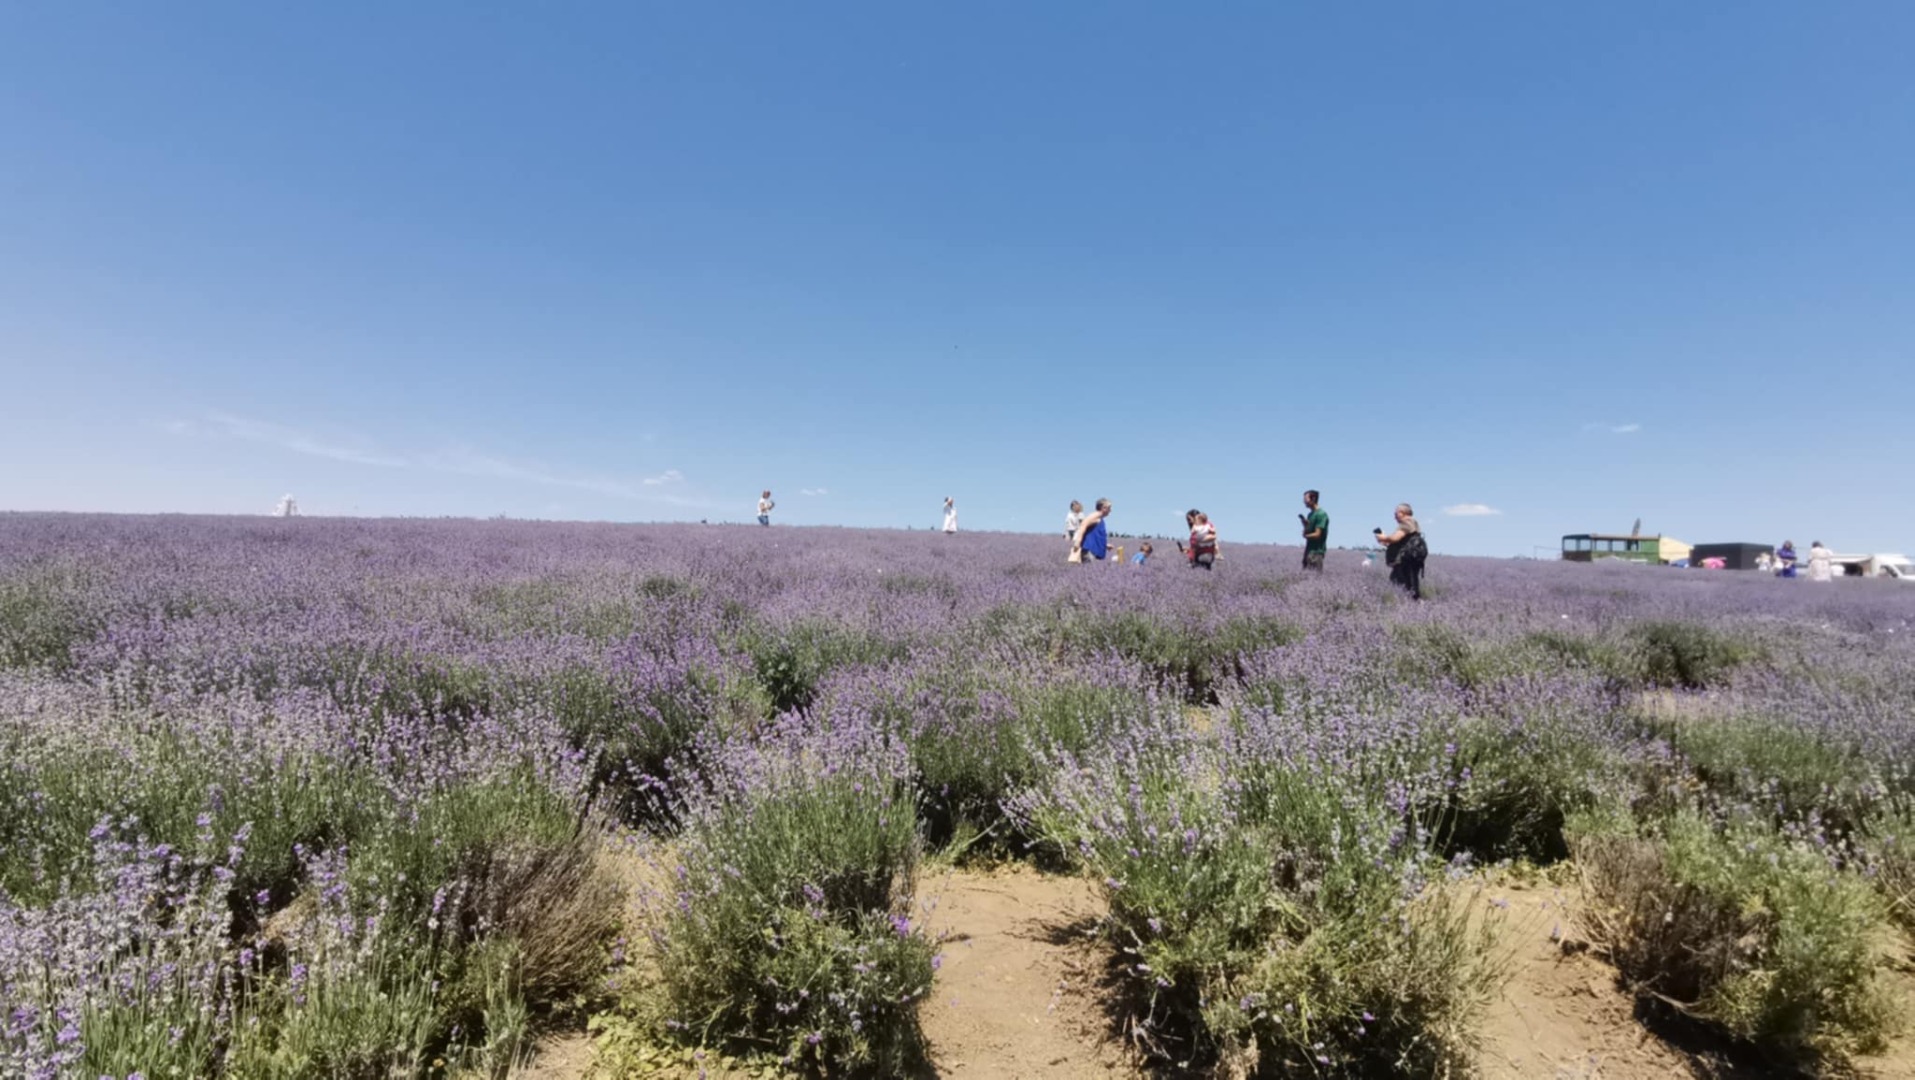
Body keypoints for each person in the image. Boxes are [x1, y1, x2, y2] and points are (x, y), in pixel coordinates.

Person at [1375, 502, 1426, 600]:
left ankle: (1410, 605)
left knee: (1402, 585)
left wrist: (1383, 537)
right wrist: (1386, 542)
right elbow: (1402, 543)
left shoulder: (1406, 523)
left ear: (1402, 512)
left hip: (1405, 561)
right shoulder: (1413, 523)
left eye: (1396, 514)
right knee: (1410, 585)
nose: (1394, 517)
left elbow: (1395, 538)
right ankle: (1413, 604)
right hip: (1410, 559)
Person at [1300, 490, 1329, 571]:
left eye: (1306, 500)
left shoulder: (1321, 514)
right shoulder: (1310, 515)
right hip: (1308, 550)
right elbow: (1309, 531)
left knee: (1315, 576)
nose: (1304, 502)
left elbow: (1317, 534)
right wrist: (1305, 525)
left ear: (1313, 499)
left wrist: (1305, 536)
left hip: (1317, 552)